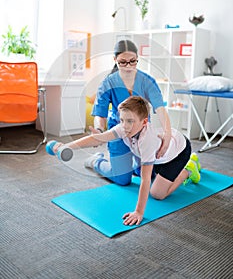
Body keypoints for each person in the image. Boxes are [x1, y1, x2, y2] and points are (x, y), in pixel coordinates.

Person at [52, 96, 201, 226]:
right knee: (146, 172)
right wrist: (67, 146)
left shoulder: (147, 140)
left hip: (178, 153)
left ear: (144, 122)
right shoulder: (124, 127)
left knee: (157, 194)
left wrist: (138, 212)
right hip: (159, 157)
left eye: (130, 121)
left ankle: (188, 169)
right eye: (122, 120)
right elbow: (97, 138)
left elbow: (145, 179)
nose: (125, 125)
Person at [88, 39, 172, 186]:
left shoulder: (147, 81)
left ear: (137, 59)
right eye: (122, 62)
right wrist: (100, 131)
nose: (128, 66)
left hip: (143, 132)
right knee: (122, 180)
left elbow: (160, 109)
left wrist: (168, 133)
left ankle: (132, 164)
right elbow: (100, 113)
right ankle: (96, 161)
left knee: (149, 174)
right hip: (119, 131)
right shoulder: (107, 83)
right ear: (115, 60)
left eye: (133, 61)